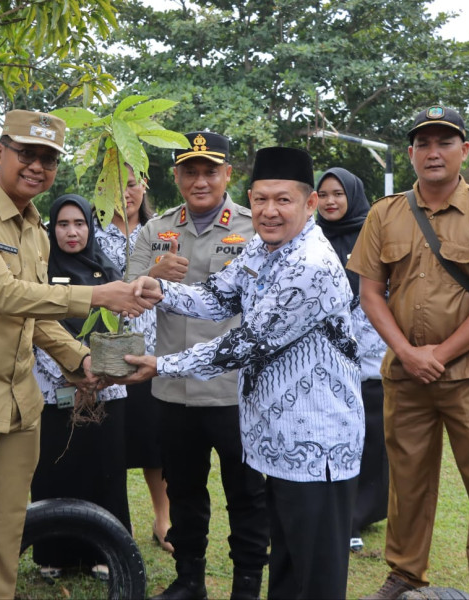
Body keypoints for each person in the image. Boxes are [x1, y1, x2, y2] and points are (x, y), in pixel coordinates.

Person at [0, 109, 155, 599]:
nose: (37, 166)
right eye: (26, 154)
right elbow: (3, 294)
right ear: (0, 152)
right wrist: (98, 295)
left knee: (4, 535)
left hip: (19, 406)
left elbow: (34, 315)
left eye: (48, 158)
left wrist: (80, 360)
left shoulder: (34, 229)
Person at [124, 146, 364, 600]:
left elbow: (246, 343)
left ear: (310, 204)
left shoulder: (310, 264)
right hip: (278, 439)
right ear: (250, 198)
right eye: (261, 199)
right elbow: (218, 296)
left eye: (283, 200)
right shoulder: (263, 246)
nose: (270, 211)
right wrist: (161, 289)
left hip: (317, 444)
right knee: (288, 567)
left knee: (315, 576)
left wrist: (162, 364)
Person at [349, 106, 469, 600]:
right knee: (408, 482)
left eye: (445, 142)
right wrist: (407, 353)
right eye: (423, 144)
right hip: (407, 375)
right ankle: (406, 573)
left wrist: (440, 354)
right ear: (411, 153)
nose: (434, 152)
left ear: (464, 151)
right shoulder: (385, 213)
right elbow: (371, 294)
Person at [127, 131, 269, 600]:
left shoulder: (254, 227)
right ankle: (189, 580)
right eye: (191, 171)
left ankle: (247, 585)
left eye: (210, 170)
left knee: (246, 493)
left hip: (235, 389)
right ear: (177, 177)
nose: (200, 180)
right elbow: (125, 295)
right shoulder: (156, 230)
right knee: (184, 491)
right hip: (175, 387)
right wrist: (153, 276)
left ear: (228, 174)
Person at [31, 194, 131, 578]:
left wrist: (99, 374)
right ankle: (54, 553)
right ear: (51, 228)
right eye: (62, 224)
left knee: (104, 470)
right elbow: (35, 323)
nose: (71, 232)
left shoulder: (108, 269)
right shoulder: (40, 271)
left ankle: (105, 552)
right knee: (57, 469)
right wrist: (70, 370)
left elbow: (123, 325)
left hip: (105, 387)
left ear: (90, 227)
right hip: (54, 386)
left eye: (79, 224)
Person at [95, 164, 173, 553]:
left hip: (154, 350)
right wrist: (154, 272)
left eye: (130, 184)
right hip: (105, 354)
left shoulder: (163, 231)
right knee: (110, 445)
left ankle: (163, 519)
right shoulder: (88, 233)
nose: (123, 193)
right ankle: (111, 525)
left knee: (153, 442)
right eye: (112, 185)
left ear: (144, 184)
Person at [316, 167, 389, 552]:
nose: (330, 201)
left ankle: (360, 514)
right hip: (325, 362)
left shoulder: (374, 235)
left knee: (372, 438)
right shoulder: (310, 237)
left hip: (371, 358)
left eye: (338, 193)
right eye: (324, 194)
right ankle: (337, 510)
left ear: (353, 195)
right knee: (332, 437)